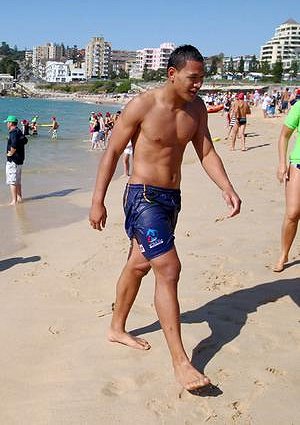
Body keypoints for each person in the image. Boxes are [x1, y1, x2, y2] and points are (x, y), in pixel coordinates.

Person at [89, 45, 241, 391]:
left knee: (139, 264)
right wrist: (98, 200)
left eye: (202, 78)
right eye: (192, 78)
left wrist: (226, 187)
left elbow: (206, 150)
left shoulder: (197, 109)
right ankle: (181, 362)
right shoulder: (143, 105)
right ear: (172, 74)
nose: (198, 85)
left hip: (171, 199)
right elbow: (112, 151)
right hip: (142, 196)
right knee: (169, 268)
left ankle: (116, 327)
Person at [274, 97, 300, 272]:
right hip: (298, 164)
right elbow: (284, 136)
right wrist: (282, 163)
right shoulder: (299, 106)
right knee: (293, 213)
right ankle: (284, 253)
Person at [4, 115, 28, 205]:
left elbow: (14, 145)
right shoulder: (19, 131)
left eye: (7, 122)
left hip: (13, 161)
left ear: (10, 123)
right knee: (17, 180)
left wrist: (11, 152)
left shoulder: (13, 132)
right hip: (20, 160)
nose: (6, 124)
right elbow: (25, 140)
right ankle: (19, 197)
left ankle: (14, 201)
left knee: (12, 181)